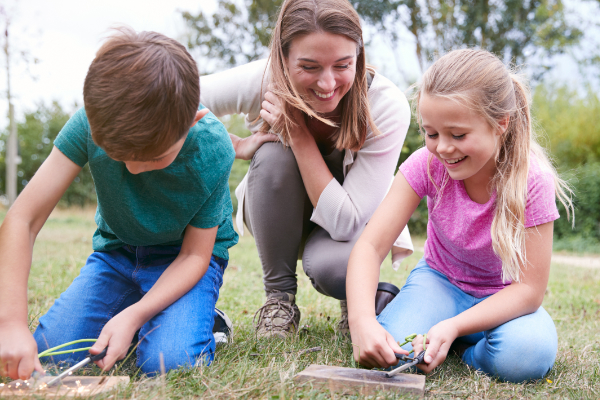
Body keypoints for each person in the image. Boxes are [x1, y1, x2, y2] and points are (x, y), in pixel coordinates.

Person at [0, 27, 238, 379]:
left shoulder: (213, 147)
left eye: (155, 156)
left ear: (192, 120)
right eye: (118, 155)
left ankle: (205, 321)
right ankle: (146, 312)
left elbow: (194, 256)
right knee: (52, 354)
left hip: (182, 261)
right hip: (117, 253)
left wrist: (136, 315)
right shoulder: (91, 120)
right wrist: (9, 322)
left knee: (167, 364)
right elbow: (23, 218)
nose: (134, 169)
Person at [346, 48, 573, 383]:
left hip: (504, 298)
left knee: (527, 355)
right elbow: (370, 246)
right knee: (393, 347)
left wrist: (454, 326)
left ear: (500, 124)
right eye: (431, 132)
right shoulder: (425, 164)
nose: (442, 148)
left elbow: (529, 291)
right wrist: (362, 322)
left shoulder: (533, 182)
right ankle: (433, 325)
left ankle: (465, 345)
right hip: (440, 283)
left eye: (458, 135)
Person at [200, 0, 413, 339]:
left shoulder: (386, 105)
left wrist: (297, 134)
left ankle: (358, 298)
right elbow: (177, 99)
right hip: (280, 213)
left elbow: (345, 223)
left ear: (358, 56)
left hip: (351, 228)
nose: (327, 84)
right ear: (282, 60)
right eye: (310, 67)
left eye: (342, 65)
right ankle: (279, 302)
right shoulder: (265, 80)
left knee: (335, 269)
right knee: (272, 155)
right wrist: (231, 144)